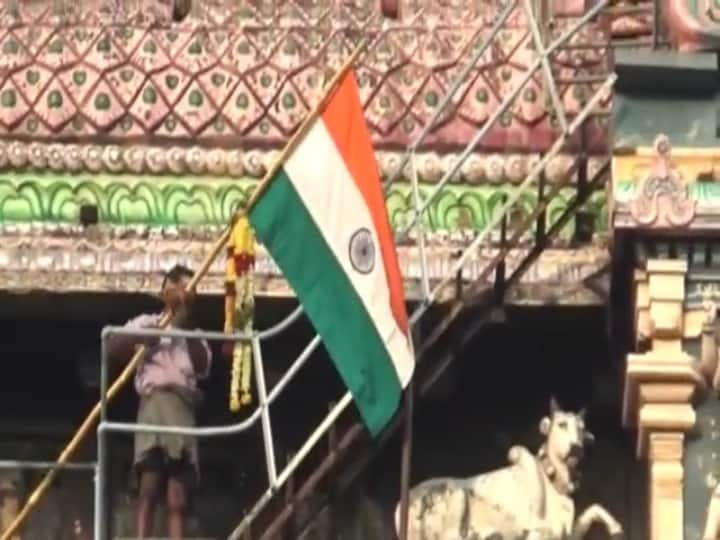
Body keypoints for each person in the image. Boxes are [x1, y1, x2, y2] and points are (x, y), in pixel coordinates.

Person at [107, 264, 212, 539]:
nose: (188, 295)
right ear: (168, 291)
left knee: (177, 494)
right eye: (182, 289)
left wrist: (183, 327)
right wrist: (146, 337)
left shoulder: (196, 333)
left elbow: (203, 365)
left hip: (181, 409)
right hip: (153, 407)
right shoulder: (147, 321)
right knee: (149, 486)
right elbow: (112, 346)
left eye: (192, 291)